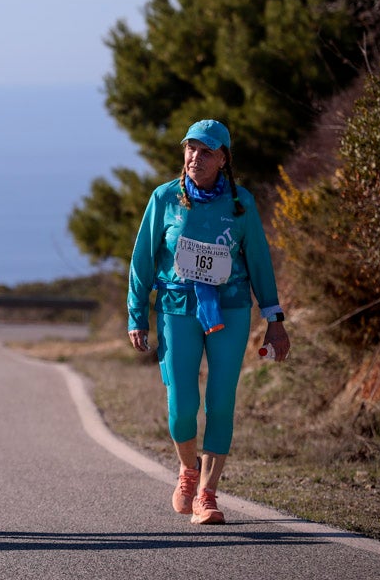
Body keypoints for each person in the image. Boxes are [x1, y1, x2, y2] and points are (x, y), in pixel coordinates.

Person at [127, 119, 290, 525]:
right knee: (183, 404)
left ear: (223, 158)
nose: (195, 157)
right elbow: (142, 260)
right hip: (176, 308)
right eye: (190, 149)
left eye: (206, 151)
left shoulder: (241, 203)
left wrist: (274, 318)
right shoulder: (165, 198)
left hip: (231, 308)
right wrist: (136, 315)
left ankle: (207, 493)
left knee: (221, 400)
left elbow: (259, 263)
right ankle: (187, 470)